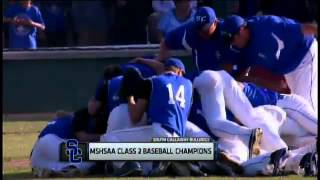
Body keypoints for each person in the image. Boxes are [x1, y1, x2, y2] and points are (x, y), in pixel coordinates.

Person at [100, 58, 193, 176]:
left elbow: (135, 117)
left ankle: (127, 164)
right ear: (180, 71)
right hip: (180, 137)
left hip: (160, 131)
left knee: (106, 139)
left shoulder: (152, 81)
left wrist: (130, 98)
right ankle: (173, 160)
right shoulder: (188, 84)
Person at [220, 15, 318, 113]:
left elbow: (305, 28)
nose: (232, 43)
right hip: (288, 66)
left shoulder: (268, 25)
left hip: (304, 54)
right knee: (299, 106)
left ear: (241, 30)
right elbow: (239, 75)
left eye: (231, 39)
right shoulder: (243, 48)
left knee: (307, 108)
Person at [30, 103, 107, 178]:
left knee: (62, 162)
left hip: (37, 155)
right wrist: (105, 137)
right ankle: (72, 168)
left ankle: (49, 170)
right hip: (55, 143)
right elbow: (82, 137)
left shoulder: (71, 117)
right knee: (96, 157)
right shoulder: (86, 120)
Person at [155, 6, 241, 73]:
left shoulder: (227, 31)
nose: (201, 32)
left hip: (232, 77)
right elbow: (166, 41)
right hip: (204, 77)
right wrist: (162, 62)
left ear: (215, 22)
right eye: (199, 28)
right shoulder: (191, 31)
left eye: (205, 28)